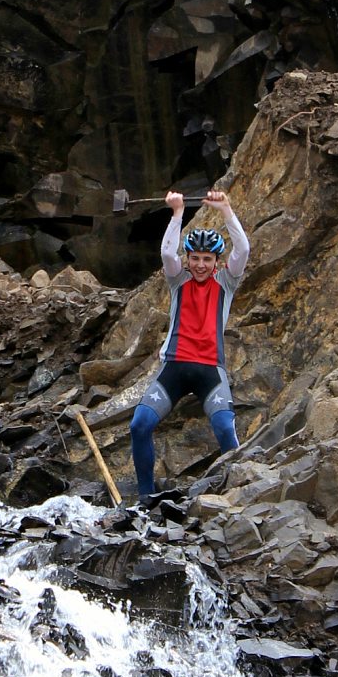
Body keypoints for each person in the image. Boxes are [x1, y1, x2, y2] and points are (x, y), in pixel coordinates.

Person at [128, 189, 250, 501]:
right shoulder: (177, 278)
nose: (199, 265)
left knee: (225, 429)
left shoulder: (226, 282)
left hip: (210, 369)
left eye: (207, 260)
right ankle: (145, 499)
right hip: (175, 366)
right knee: (140, 425)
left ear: (217, 262)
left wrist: (226, 210)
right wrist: (177, 213)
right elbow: (168, 254)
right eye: (194, 258)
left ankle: (239, 491)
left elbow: (244, 249)